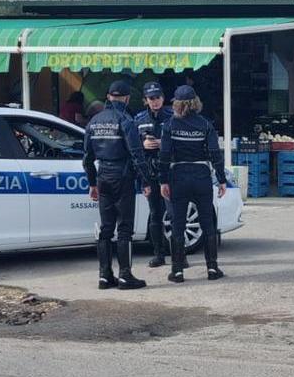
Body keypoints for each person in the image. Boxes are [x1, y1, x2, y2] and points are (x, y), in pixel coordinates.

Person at [83, 80, 147, 290]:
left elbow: (87, 158)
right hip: (123, 176)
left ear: (109, 97)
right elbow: (136, 154)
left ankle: (104, 276)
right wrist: (146, 180)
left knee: (106, 229)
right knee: (125, 228)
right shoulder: (125, 120)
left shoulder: (94, 121)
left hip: (103, 176)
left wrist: (92, 183)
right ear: (127, 98)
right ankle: (125, 276)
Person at [158, 85, 226, 283]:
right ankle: (212, 269)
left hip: (178, 175)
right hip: (201, 175)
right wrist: (221, 179)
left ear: (177, 104)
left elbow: (164, 155)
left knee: (178, 224)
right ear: (196, 103)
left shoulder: (169, 125)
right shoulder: (206, 125)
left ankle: (177, 271)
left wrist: (163, 180)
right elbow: (215, 154)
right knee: (207, 222)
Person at [134, 81, 173, 268]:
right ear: (145, 100)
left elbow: (181, 144)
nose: (155, 101)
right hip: (149, 172)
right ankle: (159, 255)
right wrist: (143, 145)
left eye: (158, 97)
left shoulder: (173, 117)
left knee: (174, 214)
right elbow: (132, 148)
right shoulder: (139, 119)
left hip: (169, 172)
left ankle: (180, 255)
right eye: (151, 98)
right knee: (155, 214)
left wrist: (162, 143)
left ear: (163, 98)